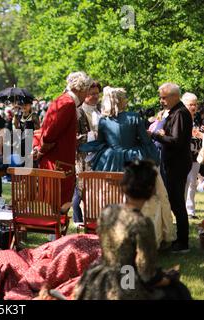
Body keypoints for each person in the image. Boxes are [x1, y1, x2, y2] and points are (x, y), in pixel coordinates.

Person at [73, 160, 192, 300]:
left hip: (99, 279)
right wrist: (169, 278)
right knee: (178, 291)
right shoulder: (141, 223)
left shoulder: (107, 212)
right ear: (151, 190)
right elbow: (147, 274)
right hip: (125, 283)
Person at [80, 87, 174, 248]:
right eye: (125, 98)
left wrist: (84, 146)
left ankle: (110, 232)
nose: (127, 100)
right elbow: (145, 141)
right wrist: (153, 159)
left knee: (106, 193)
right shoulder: (134, 117)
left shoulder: (104, 120)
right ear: (121, 101)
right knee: (146, 196)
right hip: (133, 158)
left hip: (108, 159)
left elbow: (101, 142)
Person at [33, 71, 93, 206]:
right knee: (57, 203)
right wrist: (42, 150)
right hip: (59, 163)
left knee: (52, 203)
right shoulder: (68, 103)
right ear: (80, 89)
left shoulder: (62, 99)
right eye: (86, 90)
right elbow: (50, 134)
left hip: (56, 161)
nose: (87, 94)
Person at [151, 83, 193, 253]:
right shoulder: (175, 112)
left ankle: (183, 243)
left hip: (178, 164)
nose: (161, 101)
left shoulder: (181, 113)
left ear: (174, 96)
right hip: (172, 162)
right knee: (175, 202)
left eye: (164, 97)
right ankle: (180, 239)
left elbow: (176, 141)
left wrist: (155, 135)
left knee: (177, 203)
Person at [73, 80, 102, 224]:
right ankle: (77, 220)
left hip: (99, 156)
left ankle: (93, 220)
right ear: (85, 95)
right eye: (92, 94)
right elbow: (75, 138)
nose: (96, 96)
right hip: (83, 157)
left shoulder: (101, 110)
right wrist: (94, 136)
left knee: (95, 189)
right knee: (81, 188)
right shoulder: (78, 112)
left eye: (97, 93)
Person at [182, 92, 202, 220]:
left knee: (193, 183)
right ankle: (182, 209)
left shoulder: (198, 118)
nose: (193, 107)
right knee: (185, 183)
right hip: (183, 156)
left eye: (195, 104)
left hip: (196, 156)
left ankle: (190, 210)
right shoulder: (181, 117)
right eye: (191, 104)